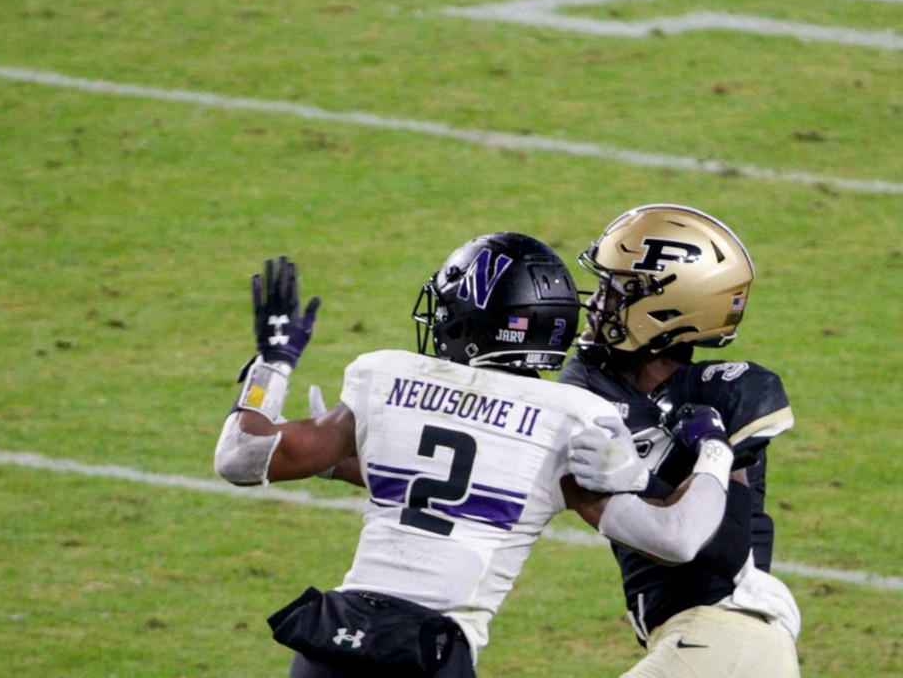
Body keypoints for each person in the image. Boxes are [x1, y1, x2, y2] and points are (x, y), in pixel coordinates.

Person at [214, 234, 741, 678]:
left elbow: (241, 456)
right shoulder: (571, 416)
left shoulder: (388, 376)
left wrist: (272, 363)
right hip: (429, 653)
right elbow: (676, 538)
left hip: (332, 642)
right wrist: (715, 449)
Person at [559, 203, 801, 677]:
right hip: (708, 643)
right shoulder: (588, 387)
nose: (596, 303)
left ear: (668, 309)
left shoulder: (730, 390)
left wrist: (645, 474)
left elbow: (724, 550)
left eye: (617, 291)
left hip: (729, 630)